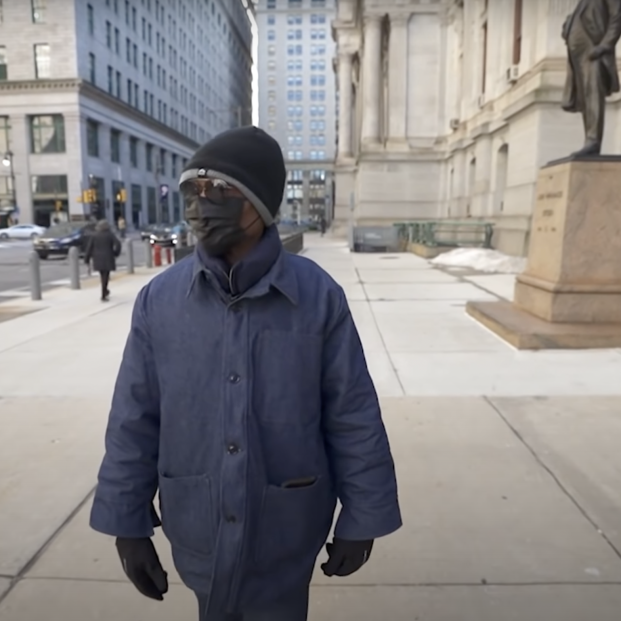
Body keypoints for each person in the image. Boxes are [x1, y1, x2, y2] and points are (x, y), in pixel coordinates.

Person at [89, 126, 402, 621]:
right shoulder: (161, 300)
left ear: (260, 202)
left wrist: (363, 517)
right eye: (193, 189)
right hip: (196, 522)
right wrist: (126, 523)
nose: (200, 202)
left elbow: (352, 414)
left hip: (286, 526)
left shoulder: (318, 298)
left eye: (220, 190)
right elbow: (135, 416)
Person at [561, 0, 621, 156]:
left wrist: (604, 46)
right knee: (585, 99)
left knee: (593, 94)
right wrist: (568, 26)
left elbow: (617, 17)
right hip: (577, 56)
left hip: (593, 52)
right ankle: (589, 139)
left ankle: (593, 140)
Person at [85, 219, 121, 302]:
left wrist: (87, 259)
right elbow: (118, 244)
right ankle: (104, 293)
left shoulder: (94, 235)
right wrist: (115, 253)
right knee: (106, 275)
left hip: (97, 258)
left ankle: (104, 291)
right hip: (108, 256)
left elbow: (89, 248)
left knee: (102, 275)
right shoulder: (110, 234)